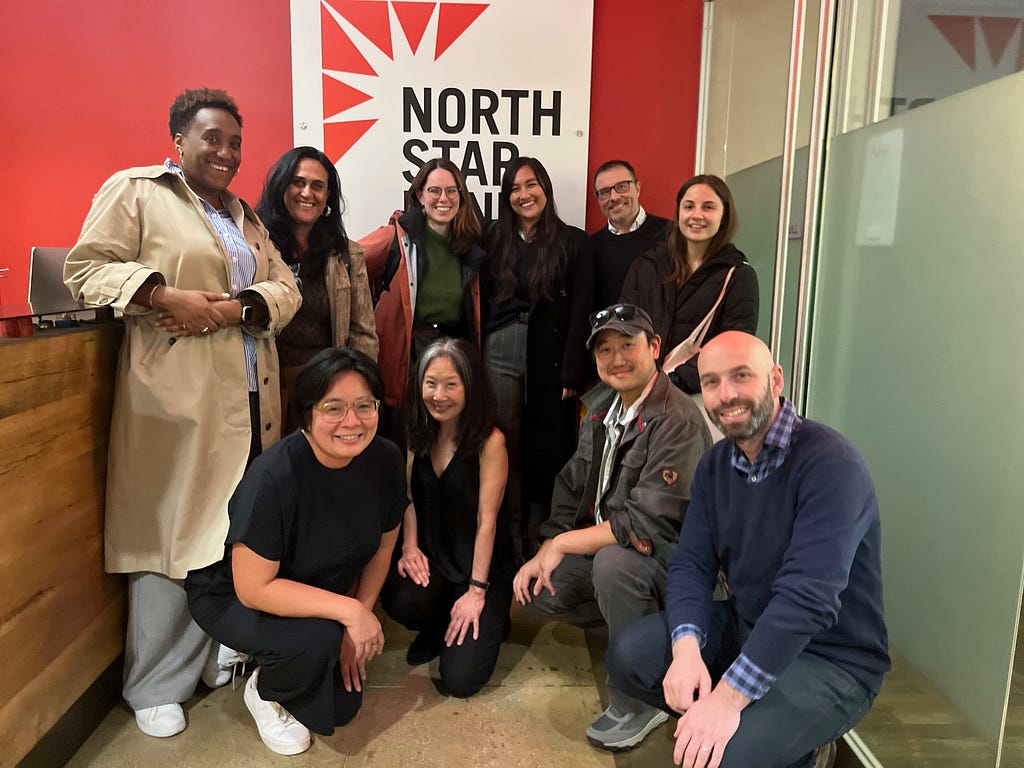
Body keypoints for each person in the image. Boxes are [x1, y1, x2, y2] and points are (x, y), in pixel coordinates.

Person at [63, 88, 300, 739]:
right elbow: (85, 270)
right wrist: (160, 292)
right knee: (170, 535)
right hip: (178, 400)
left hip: (252, 400)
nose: (225, 152)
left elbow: (286, 288)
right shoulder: (139, 193)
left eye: (233, 142)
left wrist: (227, 308)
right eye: (212, 138)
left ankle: (202, 660)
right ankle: (154, 683)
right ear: (179, 138)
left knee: (225, 536)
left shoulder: (245, 216)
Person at [605, 331, 890, 767]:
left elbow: (807, 599)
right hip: (749, 627)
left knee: (722, 756)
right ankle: (773, 737)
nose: (726, 394)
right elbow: (692, 564)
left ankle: (792, 743)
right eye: (712, 382)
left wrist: (726, 700)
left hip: (832, 657)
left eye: (742, 376)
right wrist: (685, 652)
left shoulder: (831, 465)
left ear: (776, 380)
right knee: (630, 656)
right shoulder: (717, 465)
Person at [185, 348, 405, 755]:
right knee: (317, 641)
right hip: (237, 595)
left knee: (342, 707)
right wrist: (348, 614)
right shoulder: (275, 477)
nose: (352, 422)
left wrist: (362, 612)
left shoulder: (385, 460)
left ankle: (285, 650)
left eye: (364, 406)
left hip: (316, 588)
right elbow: (253, 588)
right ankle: (262, 689)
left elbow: (385, 543)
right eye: (334, 408)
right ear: (306, 412)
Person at [512, 304, 711, 752]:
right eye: (605, 349)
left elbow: (643, 524)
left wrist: (563, 543)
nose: (616, 358)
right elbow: (571, 483)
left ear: (655, 347)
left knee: (613, 566)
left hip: (668, 561)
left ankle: (642, 694)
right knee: (540, 587)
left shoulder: (676, 419)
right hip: (616, 549)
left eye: (628, 345)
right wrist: (547, 545)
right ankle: (639, 632)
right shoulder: (603, 407)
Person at [380, 338, 514, 697]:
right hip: (436, 559)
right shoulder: (417, 429)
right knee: (400, 597)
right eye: (430, 383)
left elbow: (488, 521)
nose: (439, 395)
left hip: (480, 568)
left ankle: (495, 618)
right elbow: (406, 496)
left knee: (460, 681)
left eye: (451, 384)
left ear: (470, 385)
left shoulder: (491, 441)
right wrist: (409, 546)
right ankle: (440, 623)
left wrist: (476, 592)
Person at [482, 156, 594, 559]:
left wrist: (573, 369)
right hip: (500, 349)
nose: (523, 194)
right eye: (514, 188)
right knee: (504, 443)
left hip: (551, 353)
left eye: (531, 185)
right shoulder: (493, 238)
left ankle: (546, 537)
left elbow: (582, 309)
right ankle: (508, 542)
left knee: (550, 444)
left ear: (545, 189)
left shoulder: (574, 242)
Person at [359, 158, 485, 441]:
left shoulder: (469, 245)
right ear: (419, 195)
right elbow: (347, 261)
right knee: (405, 437)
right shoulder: (397, 237)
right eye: (435, 190)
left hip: (453, 351)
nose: (444, 199)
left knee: (446, 440)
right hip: (410, 353)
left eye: (452, 191)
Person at [256, 146, 378, 433]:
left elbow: (363, 333)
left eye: (318, 186)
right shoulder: (254, 246)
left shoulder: (346, 255)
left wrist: (358, 393)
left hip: (326, 389)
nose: (307, 193)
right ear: (281, 186)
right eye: (298, 182)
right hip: (265, 387)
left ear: (328, 198)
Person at [620, 174, 758, 396]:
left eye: (708, 207)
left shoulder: (738, 276)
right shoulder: (647, 265)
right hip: (642, 392)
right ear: (678, 212)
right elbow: (625, 325)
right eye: (689, 206)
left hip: (695, 399)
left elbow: (734, 345)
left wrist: (674, 382)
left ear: (724, 216)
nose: (697, 215)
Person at [589, 160, 670, 309]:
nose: (613, 197)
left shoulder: (671, 235)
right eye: (605, 192)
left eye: (621, 187)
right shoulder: (591, 247)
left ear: (638, 187)